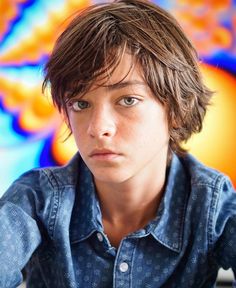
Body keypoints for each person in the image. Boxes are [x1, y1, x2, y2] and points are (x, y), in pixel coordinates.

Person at [0, 0, 235, 287]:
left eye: (127, 100)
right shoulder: (36, 200)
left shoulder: (212, 204)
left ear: (176, 109)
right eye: (81, 103)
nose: (98, 128)